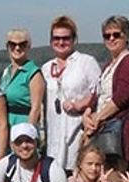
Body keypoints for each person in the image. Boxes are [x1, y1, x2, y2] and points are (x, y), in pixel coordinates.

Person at [83, 15, 129, 170]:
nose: (111, 39)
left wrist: (98, 117)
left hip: (117, 128)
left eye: (116, 35)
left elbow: (122, 97)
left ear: (126, 36)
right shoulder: (109, 65)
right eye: (107, 36)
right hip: (101, 125)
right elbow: (98, 93)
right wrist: (88, 113)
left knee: (115, 174)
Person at [41, 15, 100, 173]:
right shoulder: (46, 68)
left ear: (74, 39)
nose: (61, 42)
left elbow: (99, 92)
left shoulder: (86, 62)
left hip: (77, 133)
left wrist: (81, 104)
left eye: (66, 38)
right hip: (53, 138)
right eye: (56, 38)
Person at [0, 29, 44, 129]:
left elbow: (36, 108)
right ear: (7, 46)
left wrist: (27, 133)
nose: (17, 48)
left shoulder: (33, 73)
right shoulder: (6, 72)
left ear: (28, 47)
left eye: (22, 44)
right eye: (13, 44)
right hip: (6, 125)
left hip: (22, 126)